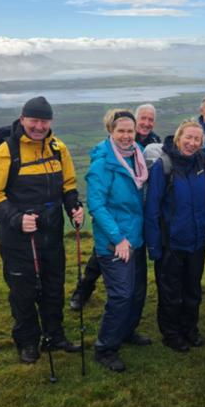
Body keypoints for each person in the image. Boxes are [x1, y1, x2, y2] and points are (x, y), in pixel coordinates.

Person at [0, 96, 84, 364]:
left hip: (51, 234)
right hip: (18, 239)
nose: (39, 126)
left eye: (44, 121)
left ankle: (54, 337)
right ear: (23, 119)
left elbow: (68, 184)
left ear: (51, 121)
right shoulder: (6, 151)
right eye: (34, 121)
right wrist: (16, 219)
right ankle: (27, 342)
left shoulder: (58, 148)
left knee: (53, 287)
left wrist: (73, 205)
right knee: (23, 292)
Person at [69, 103, 160, 311]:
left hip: (135, 223)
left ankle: (127, 313)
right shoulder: (109, 153)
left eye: (150, 120)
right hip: (116, 225)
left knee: (131, 280)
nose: (146, 123)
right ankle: (83, 292)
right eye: (143, 118)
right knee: (101, 260)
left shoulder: (149, 145)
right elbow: (98, 201)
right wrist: (116, 233)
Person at [85, 109, 151, 372]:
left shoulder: (138, 156)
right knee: (121, 295)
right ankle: (105, 348)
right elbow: (96, 205)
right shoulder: (102, 164)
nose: (126, 136)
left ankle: (126, 332)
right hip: (115, 242)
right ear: (110, 132)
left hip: (136, 238)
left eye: (130, 131)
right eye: (120, 131)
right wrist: (118, 238)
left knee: (137, 293)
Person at [145, 119, 205, 352]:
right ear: (178, 137)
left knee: (192, 290)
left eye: (197, 139)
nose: (192, 143)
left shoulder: (202, 163)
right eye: (188, 137)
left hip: (197, 241)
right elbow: (152, 208)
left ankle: (190, 329)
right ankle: (171, 334)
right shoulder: (163, 166)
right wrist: (154, 246)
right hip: (170, 243)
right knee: (170, 293)